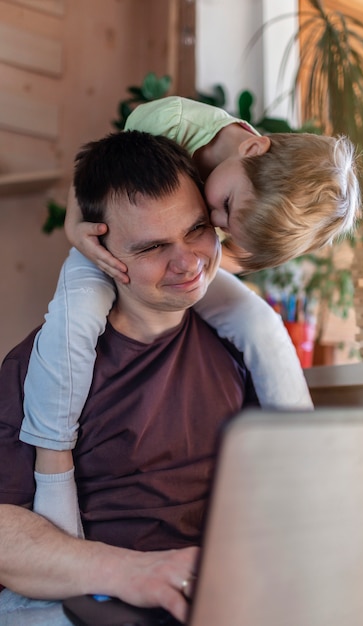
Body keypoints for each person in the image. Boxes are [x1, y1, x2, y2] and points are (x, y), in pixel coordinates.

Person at [21, 96, 361, 536]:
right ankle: (52, 462)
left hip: (176, 257)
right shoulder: (171, 121)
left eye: (216, 224)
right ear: (253, 149)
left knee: (262, 324)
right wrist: (75, 229)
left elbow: (216, 257)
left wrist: (200, 260)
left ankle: (302, 454)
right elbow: (99, 173)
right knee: (74, 326)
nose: (216, 219)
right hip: (103, 244)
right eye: (221, 210)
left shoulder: (247, 196)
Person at [0, 131, 261, 625]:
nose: (187, 262)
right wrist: (130, 572)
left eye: (197, 228)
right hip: (84, 597)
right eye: (153, 247)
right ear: (99, 248)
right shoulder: (42, 365)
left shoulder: (238, 351)